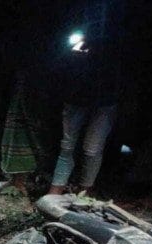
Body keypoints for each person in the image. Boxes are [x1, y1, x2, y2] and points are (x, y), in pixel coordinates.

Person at [48, 33, 119, 195]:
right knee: (67, 147)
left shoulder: (113, 44)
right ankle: (55, 190)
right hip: (76, 97)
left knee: (92, 149)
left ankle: (84, 192)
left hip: (105, 101)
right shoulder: (80, 41)